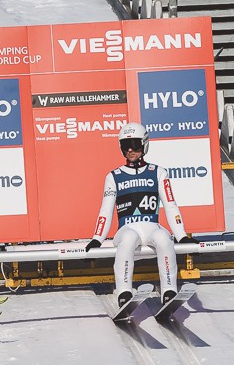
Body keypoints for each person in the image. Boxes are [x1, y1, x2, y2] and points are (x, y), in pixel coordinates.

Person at [85, 123, 198, 306]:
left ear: (144, 144)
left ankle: (169, 291)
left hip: (152, 228)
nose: (130, 150)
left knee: (163, 238)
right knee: (129, 238)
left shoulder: (159, 173)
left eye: (135, 144)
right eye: (125, 145)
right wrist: (97, 239)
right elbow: (105, 211)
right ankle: (124, 293)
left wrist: (182, 236)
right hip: (126, 230)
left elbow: (170, 206)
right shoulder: (113, 176)